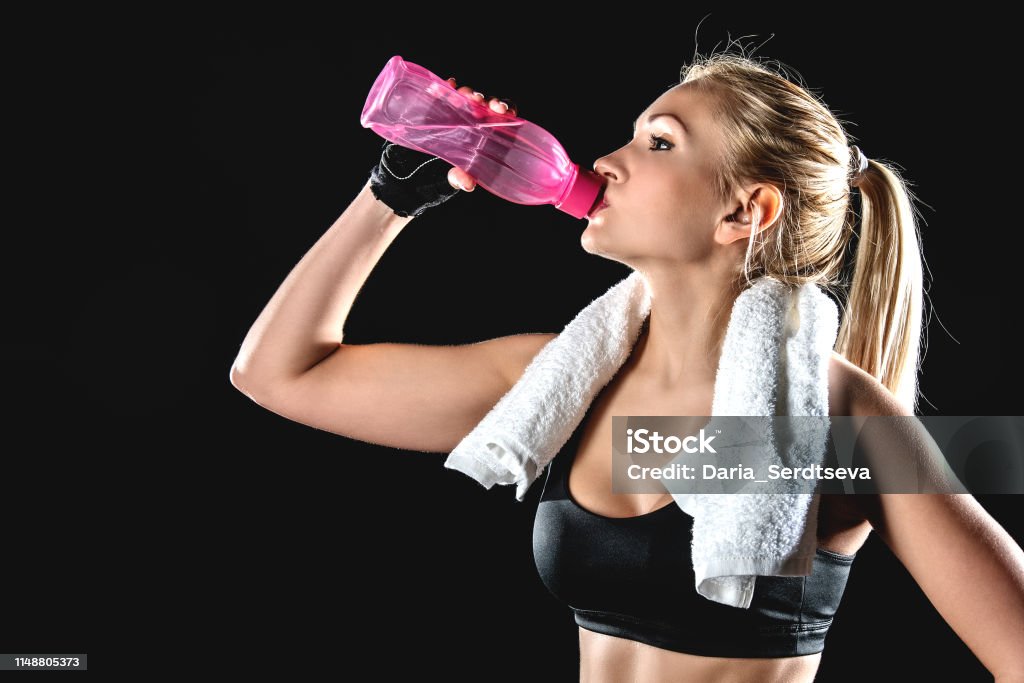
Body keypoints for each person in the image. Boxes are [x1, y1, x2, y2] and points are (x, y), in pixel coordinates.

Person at [229, 50, 1024, 682]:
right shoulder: (555, 385)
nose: (606, 161)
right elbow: (278, 374)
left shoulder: (837, 420)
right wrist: (387, 197)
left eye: (658, 142)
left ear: (745, 211)